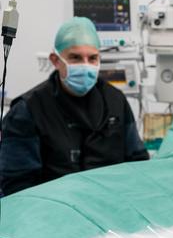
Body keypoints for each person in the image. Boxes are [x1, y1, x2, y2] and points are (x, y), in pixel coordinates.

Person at [0, 17, 149, 196]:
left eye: (92, 58)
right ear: (56, 60)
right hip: (52, 212)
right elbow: (17, 186)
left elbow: (138, 165)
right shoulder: (28, 110)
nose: (85, 66)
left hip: (110, 207)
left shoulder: (116, 101)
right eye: (75, 58)